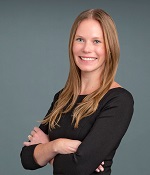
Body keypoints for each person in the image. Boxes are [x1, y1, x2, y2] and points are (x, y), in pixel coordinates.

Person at [20, 9, 134, 175]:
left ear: (110, 47)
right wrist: (57, 145)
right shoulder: (63, 97)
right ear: (72, 44)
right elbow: (27, 159)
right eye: (80, 39)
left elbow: (77, 168)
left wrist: (46, 149)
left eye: (97, 41)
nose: (86, 49)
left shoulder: (119, 100)